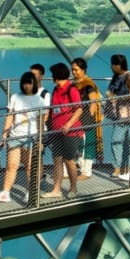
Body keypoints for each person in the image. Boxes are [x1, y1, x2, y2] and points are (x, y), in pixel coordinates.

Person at [0, 72, 44, 203]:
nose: (26, 86)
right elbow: (10, 116)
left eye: (29, 83)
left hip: (31, 137)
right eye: (24, 83)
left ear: (33, 84)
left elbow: (41, 120)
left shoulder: (39, 100)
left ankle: (30, 192)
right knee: (12, 165)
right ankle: (5, 192)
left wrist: (40, 139)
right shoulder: (15, 97)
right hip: (15, 136)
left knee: (29, 166)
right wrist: (4, 134)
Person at [44, 63, 83, 199]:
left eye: (53, 75)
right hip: (56, 131)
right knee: (57, 159)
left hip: (71, 132)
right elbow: (52, 108)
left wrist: (68, 124)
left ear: (57, 75)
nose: (51, 77)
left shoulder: (71, 89)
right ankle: (56, 189)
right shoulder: (56, 90)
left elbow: (79, 109)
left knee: (69, 160)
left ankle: (73, 187)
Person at [105, 54, 130, 180]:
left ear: (119, 65)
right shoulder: (116, 77)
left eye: (114, 64)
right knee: (120, 141)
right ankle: (121, 168)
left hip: (127, 115)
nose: (112, 67)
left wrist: (117, 98)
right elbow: (110, 92)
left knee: (121, 141)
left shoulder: (128, 77)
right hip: (119, 115)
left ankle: (122, 168)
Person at [71, 58, 102, 179]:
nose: (74, 72)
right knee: (78, 145)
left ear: (83, 69)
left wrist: (89, 118)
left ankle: (86, 172)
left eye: (76, 70)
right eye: (72, 70)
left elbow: (93, 102)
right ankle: (80, 169)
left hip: (86, 119)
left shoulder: (88, 84)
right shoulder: (73, 84)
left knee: (88, 145)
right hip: (75, 118)